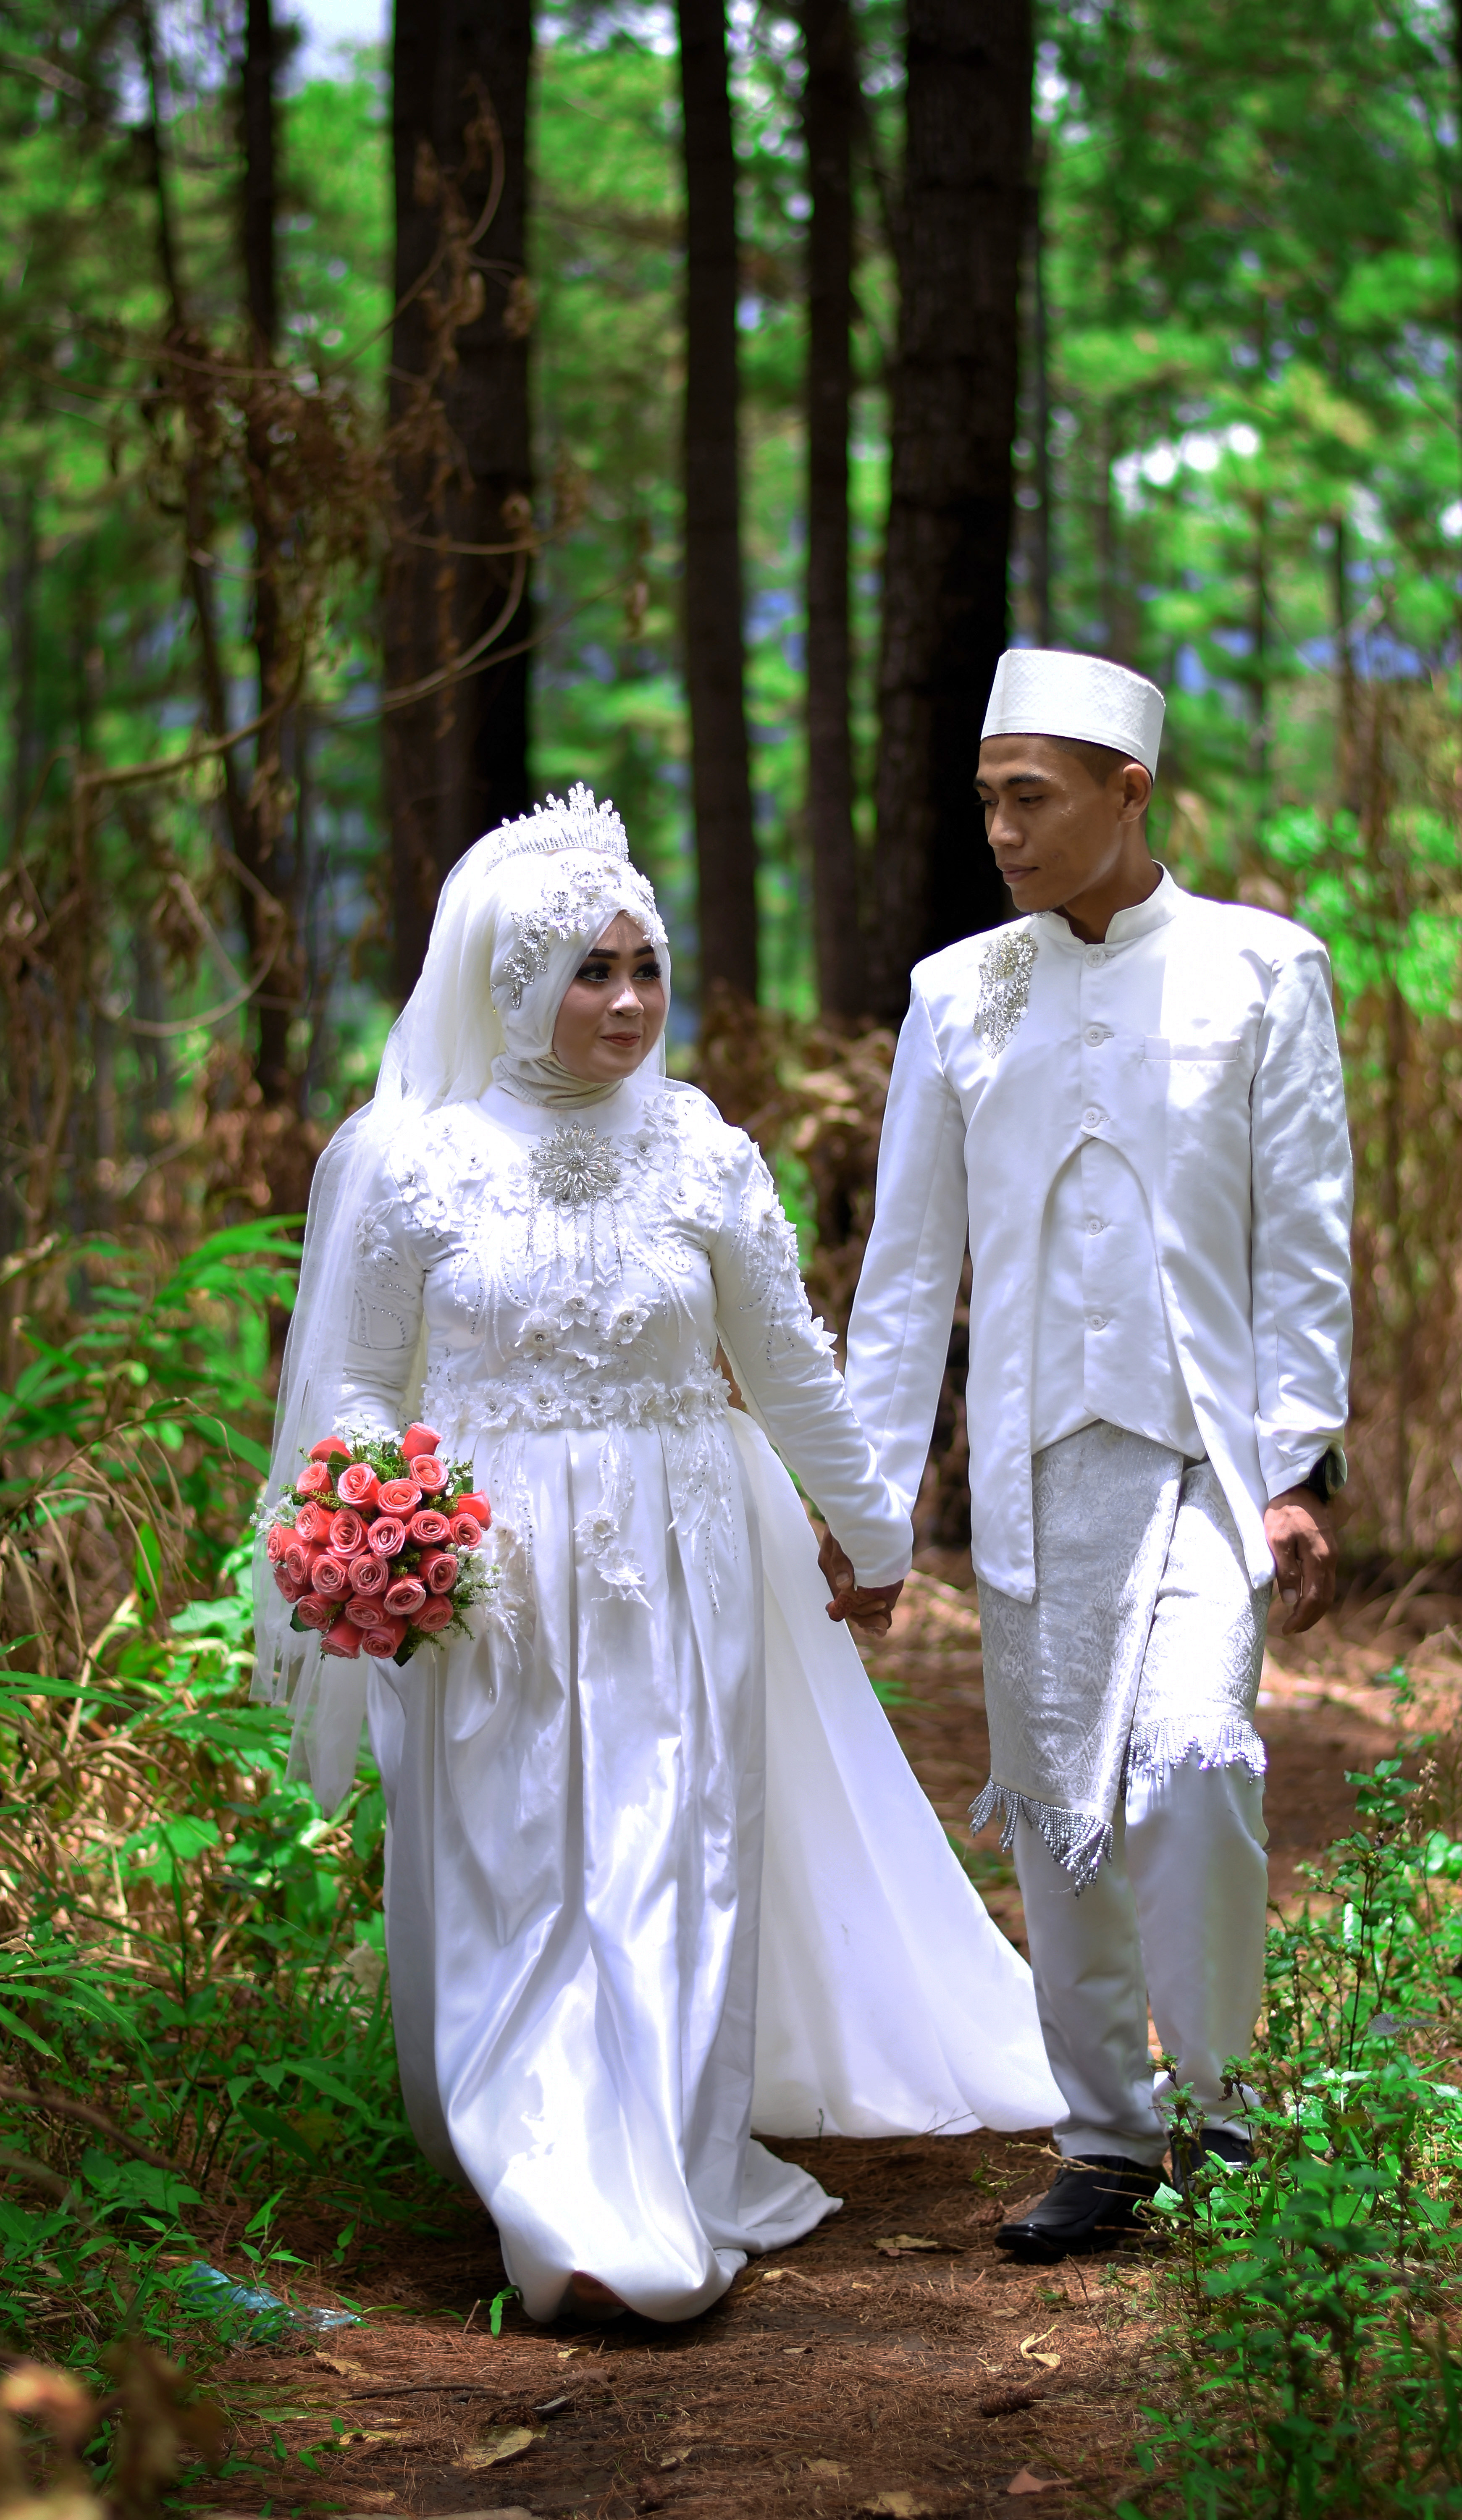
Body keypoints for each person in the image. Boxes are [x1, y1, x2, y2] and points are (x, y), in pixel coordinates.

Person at [255, 788, 1060, 2324]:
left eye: (647, 969)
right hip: (481, 1582)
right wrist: (373, 1517)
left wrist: (874, 1533)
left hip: (682, 1559)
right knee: (511, 1866)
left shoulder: (699, 1150)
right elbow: (358, 1379)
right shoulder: (416, 1164)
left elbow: (790, 1366)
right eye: (591, 972)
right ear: (514, 983)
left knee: (669, 1850)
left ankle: (663, 2175)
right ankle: (550, 2186)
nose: (628, 1002)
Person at [826, 650, 1354, 2262]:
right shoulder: (955, 993)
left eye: (1031, 798)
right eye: (987, 801)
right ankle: (1111, 2139)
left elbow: (1305, 1236)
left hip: (1208, 1459)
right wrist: (873, 1511)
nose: (1002, 830)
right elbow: (907, 1272)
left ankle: (1224, 2113)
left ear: (1131, 792)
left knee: (1194, 1766)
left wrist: (1300, 1468)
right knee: (1061, 1807)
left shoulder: (1265, 970)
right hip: (1037, 1470)